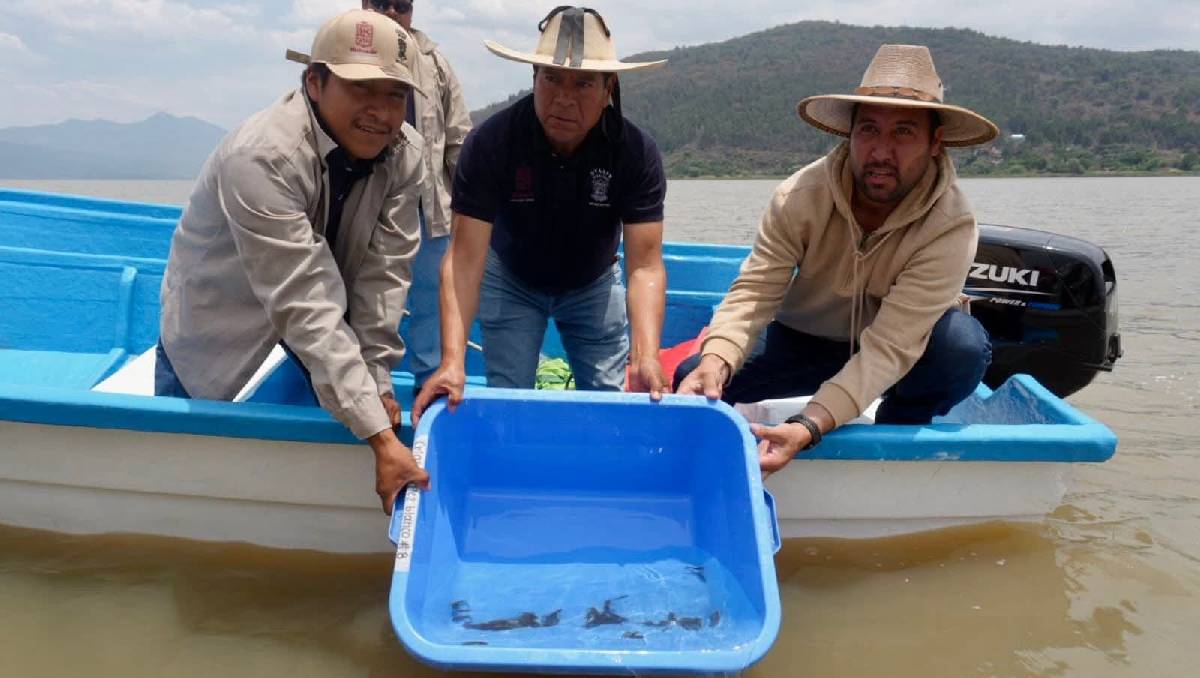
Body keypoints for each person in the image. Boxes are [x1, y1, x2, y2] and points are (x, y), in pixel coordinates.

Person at [676, 44, 998, 475]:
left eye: (903, 132)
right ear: (849, 134)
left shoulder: (951, 226)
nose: (881, 151)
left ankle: (894, 439)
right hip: (801, 341)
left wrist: (809, 424)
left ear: (935, 141)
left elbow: (889, 348)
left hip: (901, 354)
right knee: (695, 374)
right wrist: (716, 358)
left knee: (962, 346)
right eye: (868, 130)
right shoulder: (799, 198)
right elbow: (755, 292)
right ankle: (709, 465)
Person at [158, 9, 429, 513]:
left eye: (395, 94)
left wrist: (378, 383)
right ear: (314, 83)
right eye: (361, 88)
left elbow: (383, 279)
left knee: (368, 399)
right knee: (182, 473)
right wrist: (379, 436)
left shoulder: (404, 155)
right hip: (222, 313)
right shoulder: (260, 158)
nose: (380, 111)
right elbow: (304, 301)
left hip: (323, 306)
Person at [412, 6, 669, 423]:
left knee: (608, 402)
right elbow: (464, 259)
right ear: (533, 78)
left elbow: (645, 265)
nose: (564, 98)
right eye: (551, 79)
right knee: (509, 400)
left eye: (584, 83)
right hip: (510, 276)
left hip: (595, 281)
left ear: (609, 90)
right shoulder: (491, 143)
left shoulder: (635, 153)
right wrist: (452, 361)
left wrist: (646, 355)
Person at [361, 0, 472, 391]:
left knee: (431, 306)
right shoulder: (346, 56)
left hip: (428, 210)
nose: (393, 13)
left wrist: (473, 212)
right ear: (363, 5)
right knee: (370, 302)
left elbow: (458, 140)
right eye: (381, 3)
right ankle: (369, 390)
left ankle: (428, 388)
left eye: (402, 6)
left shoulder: (434, 62)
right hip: (366, 211)